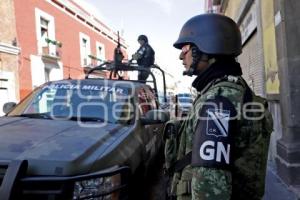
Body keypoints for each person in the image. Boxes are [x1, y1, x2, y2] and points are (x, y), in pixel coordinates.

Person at [164, 13, 273, 200]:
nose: (181, 54)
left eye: (186, 47)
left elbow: (210, 191)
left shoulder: (218, 103)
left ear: (207, 47)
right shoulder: (230, 91)